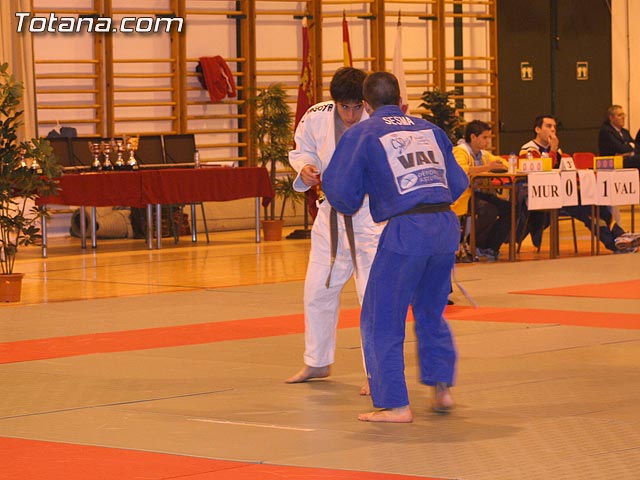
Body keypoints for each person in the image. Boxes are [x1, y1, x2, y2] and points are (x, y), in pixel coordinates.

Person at [323, 72, 469, 423]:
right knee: (430, 310)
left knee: (380, 315)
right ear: (401, 99)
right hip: (446, 227)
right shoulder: (429, 129)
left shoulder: (364, 132)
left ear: (367, 105)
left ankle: (395, 404)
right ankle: (441, 388)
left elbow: (342, 194)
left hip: (408, 230)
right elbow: (459, 180)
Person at [285, 67, 385, 394]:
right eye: (346, 107)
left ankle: (378, 372)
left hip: (370, 216)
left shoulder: (379, 119)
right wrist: (307, 168)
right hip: (330, 214)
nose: (352, 114)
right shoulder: (315, 117)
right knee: (317, 288)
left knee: (371, 295)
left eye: (358, 106)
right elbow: (301, 150)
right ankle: (317, 360)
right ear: (334, 102)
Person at [521, 115, 638, 253]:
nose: (553, 130)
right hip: (541, 196)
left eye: (554, 127)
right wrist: (552, 150)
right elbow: (542, 170)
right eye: (548, 126)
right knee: (587, 211)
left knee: (596, 203)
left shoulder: (558, 151)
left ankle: (620, 238)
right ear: (537, 129)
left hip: (562, 194)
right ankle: (617, 242)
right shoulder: (528, 150)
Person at [452, 120, 510, 261]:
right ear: (473, 137)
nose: (487, 142)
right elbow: (462, 170)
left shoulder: (483, 154)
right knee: (489, 210)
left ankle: (489, 246)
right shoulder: (460, 151)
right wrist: (487, 168)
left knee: (509, 208)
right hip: (463, 194)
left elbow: (503, 162)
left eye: (488, 138)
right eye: (484, 138)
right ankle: (468, 242)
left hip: (479, 194)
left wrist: (499, 165)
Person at [598, 105, 640, 169]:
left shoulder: (625, 132)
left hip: (624, 159)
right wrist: (631, 147)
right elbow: (620, 148)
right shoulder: (606, 131)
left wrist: (629, 151)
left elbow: (637, 146)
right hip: (609, 162)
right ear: (611, 118)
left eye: (623, 115)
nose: (623, 117)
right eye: (619, 115)